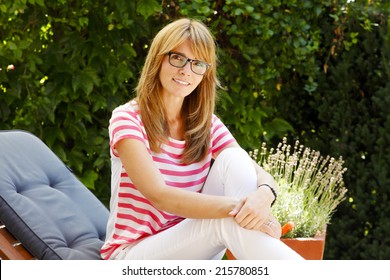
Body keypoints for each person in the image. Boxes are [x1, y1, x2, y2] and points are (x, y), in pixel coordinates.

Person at [100, 18, 303, 260]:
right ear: (158, 59)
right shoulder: (127, 119)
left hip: (196, 246)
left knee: (234, 156)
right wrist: (240, 210)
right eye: (177, 58)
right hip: (132, 256)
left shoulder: (205, 124)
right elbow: (159, 196)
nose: (186, 70)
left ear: (205, 73)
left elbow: (257, 172)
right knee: (225, 222)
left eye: (197, 63)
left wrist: (265, 196)